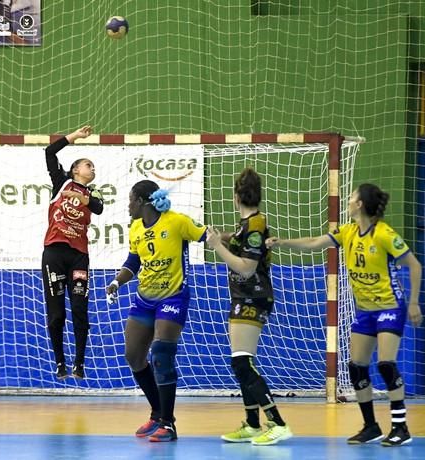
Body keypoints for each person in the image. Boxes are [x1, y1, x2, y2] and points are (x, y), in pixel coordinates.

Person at [266, 183, 422, 447]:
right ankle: (371, 426)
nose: (348, 202)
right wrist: (282, 242)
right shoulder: (348, 232)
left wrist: (414, 302)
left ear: (360, 204)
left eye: (351, 198)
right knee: (356, 367)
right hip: (365, 311)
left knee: (386, 364)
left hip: (389, 307)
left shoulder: (384, 234)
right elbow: (316, 242)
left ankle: (400, 427)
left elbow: (414, 264)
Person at [105, 180, 207, 442]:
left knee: (161, 351)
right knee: (133, 356)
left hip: (173, 295)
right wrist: (117, 281)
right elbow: (133, 261)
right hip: (145, 299)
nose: (127, 205)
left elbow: (207, 236)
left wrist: (239, 240)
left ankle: (168, 424)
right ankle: (156, 413)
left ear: (141, 201)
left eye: (130, 200)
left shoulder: (176, 222)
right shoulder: (136, 227)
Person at [206, 167, 293, 446]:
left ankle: (277, 423)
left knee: (242, 362)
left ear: (236, 196)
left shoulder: (256, 224)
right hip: (241, 297)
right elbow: (241, 241)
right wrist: (223, 237)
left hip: (253, 296)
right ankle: (253, 424)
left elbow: (246, 268)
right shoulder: (248, 225)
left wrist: (216, 246)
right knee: (240, 362)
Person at [42, 125, 103, 380]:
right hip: (54, 253)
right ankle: (59, 362)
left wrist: (85, 199)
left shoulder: (93, 192)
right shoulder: (62, 182)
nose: (93, 168)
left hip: (79, 256)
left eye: (93, 166)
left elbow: (98, 208)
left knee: (80, 308)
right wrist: (75, 137)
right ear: (76, 169)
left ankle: (80, 362)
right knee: (56, 313)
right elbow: (49, 152)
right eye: (88, 165)